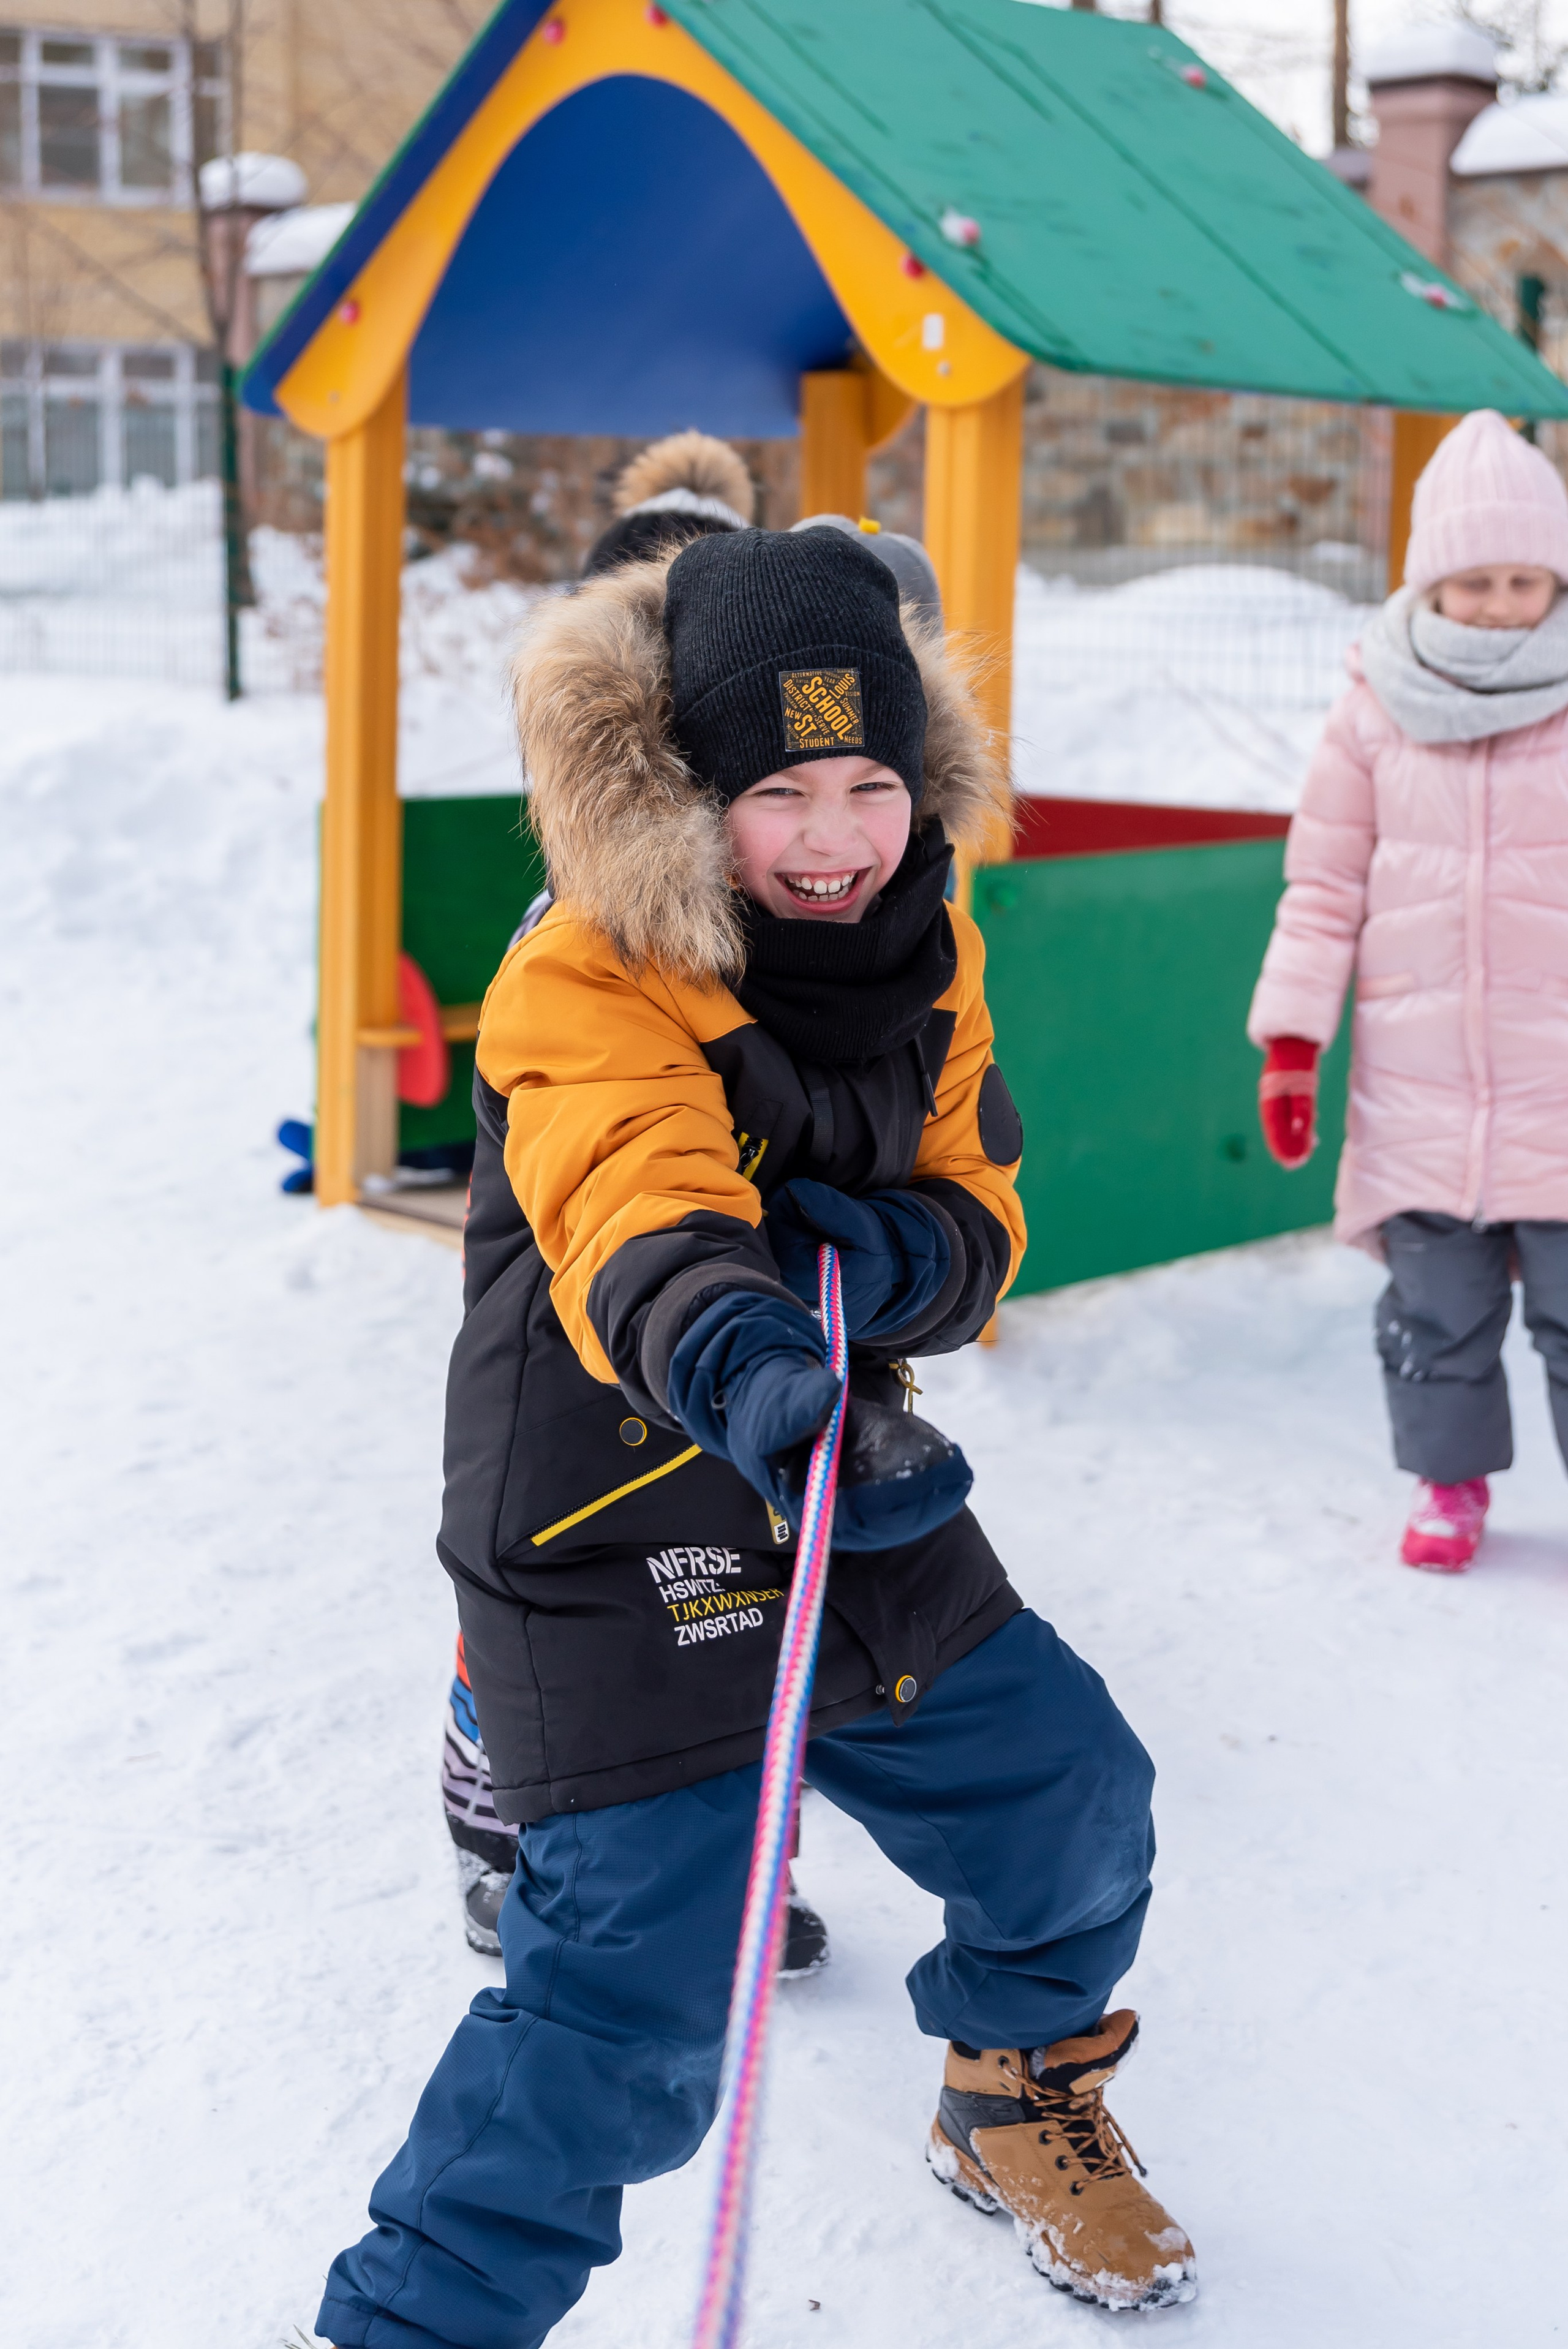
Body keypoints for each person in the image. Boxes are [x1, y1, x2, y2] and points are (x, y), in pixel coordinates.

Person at [317, 525, 1194, 2348]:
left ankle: (1011, 2081)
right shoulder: (588, 970)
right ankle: (415, 2323)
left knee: (1071, 1794)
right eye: (780, 787)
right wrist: (761, 1342)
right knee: (637, 1992)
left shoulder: (922, 940)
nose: (833, 833)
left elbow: (983, 1202)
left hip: (845, 1480)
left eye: (871, 780)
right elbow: (639, 1204)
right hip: (620, 1497)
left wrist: (884, 1263)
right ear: (688, 788)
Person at [439, 428, 824, 1973]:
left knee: (752, 1571)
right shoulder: (587, 918)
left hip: (744, 1293)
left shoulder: (794, 881)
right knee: (546, 1579)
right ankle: (500, 1821)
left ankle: (738, 1853)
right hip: (580, 1290)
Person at [1250, 407, 1568, 1573]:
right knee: (1437, 1311)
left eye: (1524, 578)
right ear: (1431, 582)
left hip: (1559, 1083)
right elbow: (1322, 885)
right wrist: (1292, 1039)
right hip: (1422, 1089)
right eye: (1473, 580)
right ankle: (1451, 1482)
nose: (1499, 603)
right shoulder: (1375, 709)